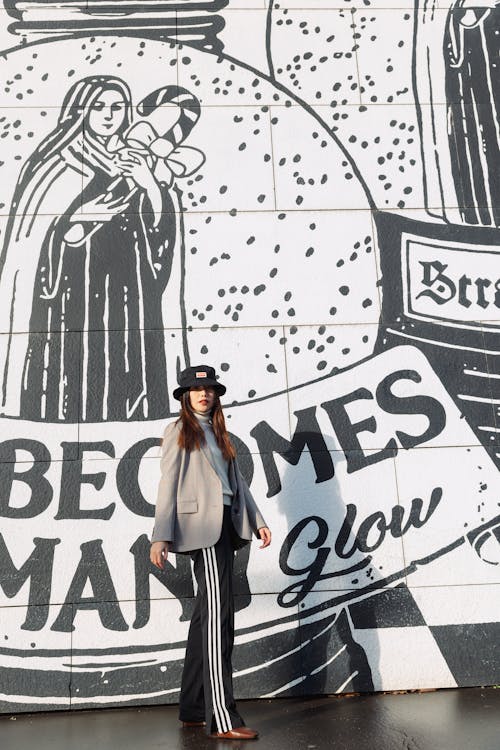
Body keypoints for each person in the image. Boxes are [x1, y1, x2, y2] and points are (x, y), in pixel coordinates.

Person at [0, 75, 179, 422]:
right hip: (74, 289)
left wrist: (148, 184)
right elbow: (33, 235)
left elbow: (160, 226)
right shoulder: (58, 164)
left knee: (127, 356)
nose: (109, 115)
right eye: (98, 107)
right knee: (79, 363)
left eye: (117, 107)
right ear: (81, 111)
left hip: (130, 287)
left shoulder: (136, 162)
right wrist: (76, 217)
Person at [150, 365, 272, 740]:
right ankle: (222, 718)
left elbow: (237, 483)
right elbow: (168, 482)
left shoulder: (220, 433)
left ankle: (193, 708)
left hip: (225, 525)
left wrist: (257, 520)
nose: (204, 394)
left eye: (209, 389)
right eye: (196, 388)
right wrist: (160, 536)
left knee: (207, 618)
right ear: (185, 395)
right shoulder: (178, 431)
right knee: (220, 620)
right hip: (200, 530)